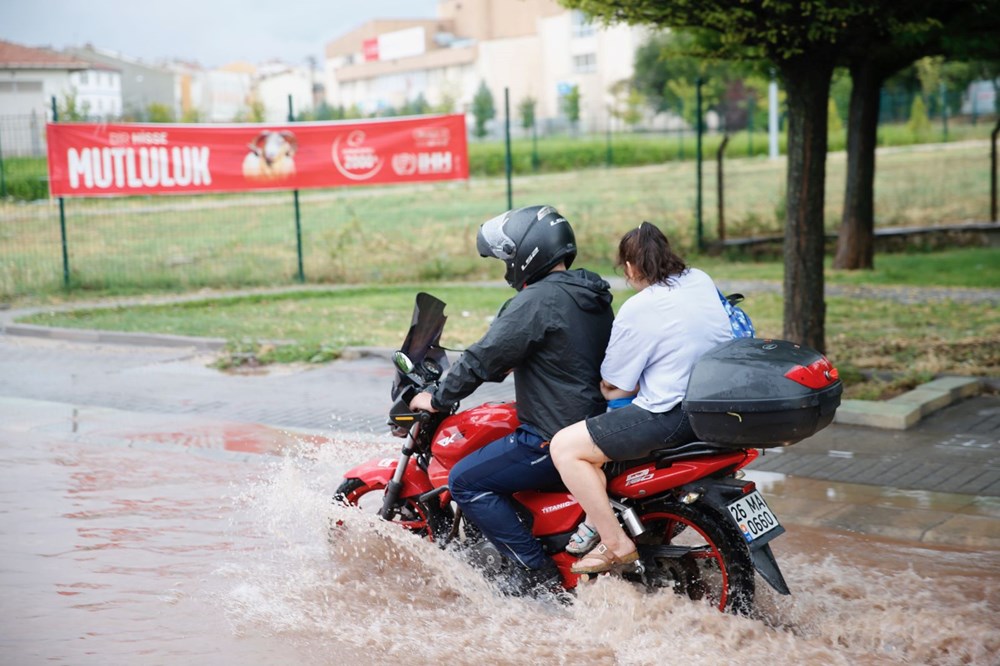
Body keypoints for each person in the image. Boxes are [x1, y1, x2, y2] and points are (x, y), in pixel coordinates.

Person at [408, 205, 614, 596]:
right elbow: (544, 350)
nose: (506, 265)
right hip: (594, 424)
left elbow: (483, 358)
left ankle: (534, 573)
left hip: (552, 434)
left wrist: (437, 398)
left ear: (527, 254)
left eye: (506, 256)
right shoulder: (587, 293)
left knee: (465, 481)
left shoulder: (536, 301)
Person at [549, 221, 733, 575]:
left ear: (631, 268)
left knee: (566, 448)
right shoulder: (699, 279)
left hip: (670, 416)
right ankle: (605, 519)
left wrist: (616, 388)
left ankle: (614, 541)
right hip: (713, 408)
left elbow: (613, 384)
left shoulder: (640, 306)